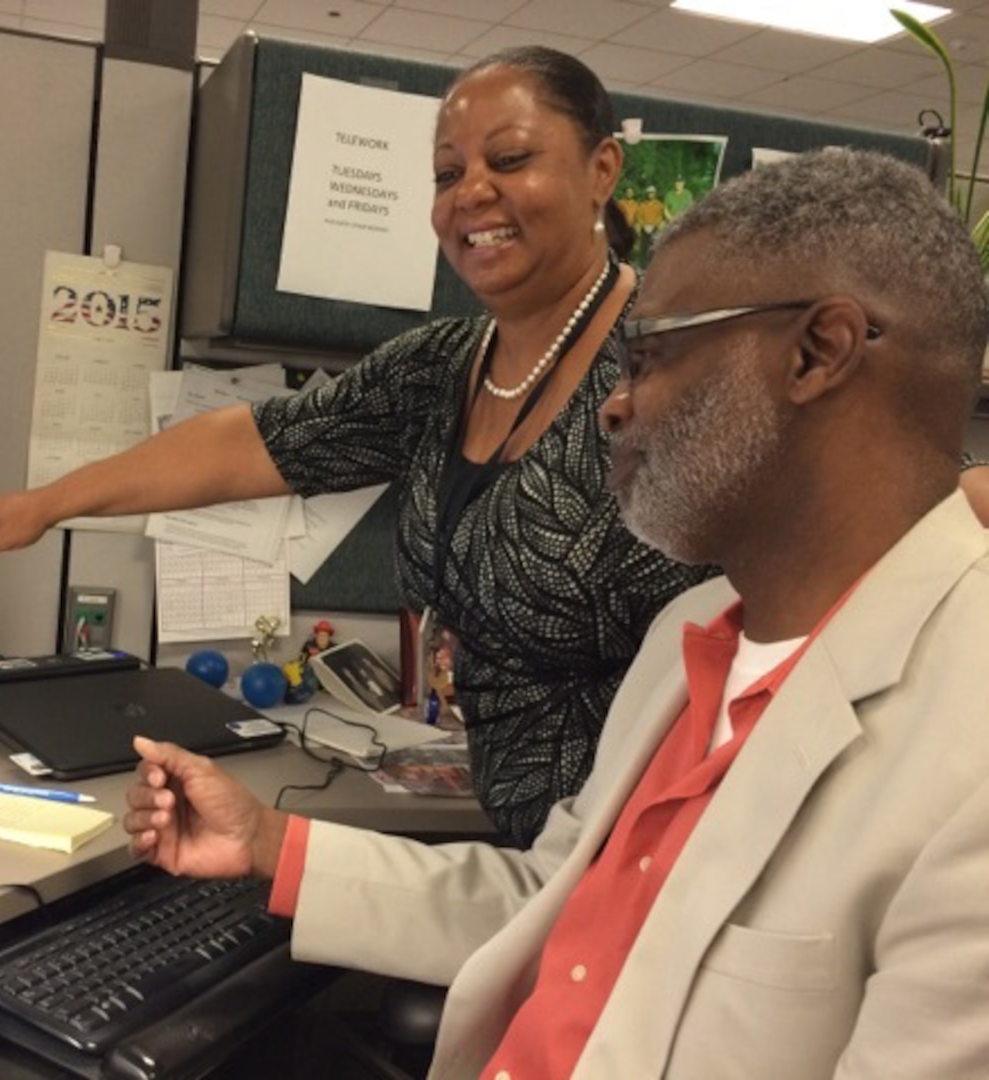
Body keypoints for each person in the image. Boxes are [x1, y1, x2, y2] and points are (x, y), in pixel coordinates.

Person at [123, 149, 989, 1077]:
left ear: (818, 353)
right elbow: (551, 909)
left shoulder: (964, 746)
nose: (613, 407)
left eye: (651, 356)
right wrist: (266, 841)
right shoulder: (689, 635)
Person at [0, 47, 711, 847]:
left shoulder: (676, 379)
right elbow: (247, 443)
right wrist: (43, 505)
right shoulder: (442, 368)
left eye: (510, 158)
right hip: (527, 851)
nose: (471, 193)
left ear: (602, 169)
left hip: (658, 850)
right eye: (445, 173)